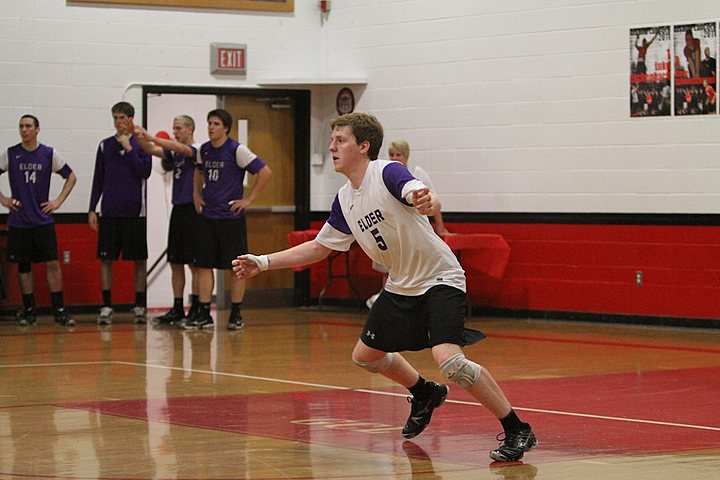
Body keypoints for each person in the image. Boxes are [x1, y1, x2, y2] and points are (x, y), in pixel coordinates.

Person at [232, 112, 537, 462]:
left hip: (439, 278)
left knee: (450, 361)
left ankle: (517, 429)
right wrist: (264, 261)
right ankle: (424, 392)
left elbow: (418, 193)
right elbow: (320, 247)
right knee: (365, 356)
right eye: (331, 141)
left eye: (340, 140)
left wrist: (425, 199)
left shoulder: (386, 172)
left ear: (364, 146)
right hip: (401, 285)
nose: (332, 147)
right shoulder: (345, 198)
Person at [187, 108, 272, 330]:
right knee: (204, 266)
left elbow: (265, 172)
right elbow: (198, 172)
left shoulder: (236, 150)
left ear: (225, 128)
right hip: (207, 216)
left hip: (230, 217)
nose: (211, 127)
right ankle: (205, 313)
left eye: (215, 123)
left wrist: (249, 199)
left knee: (236, 267)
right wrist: (196, 194)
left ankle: (236, 313)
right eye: (209, 123)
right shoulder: (203, 150)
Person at [0, 115, 77, 327]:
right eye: (21, 126)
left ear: (37, 130)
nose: (24, 130)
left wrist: (58, 201)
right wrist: (4, 199)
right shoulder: (11, 154)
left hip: (42, 220)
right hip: (19, 221)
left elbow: (71, 176)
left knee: (52, 263)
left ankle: (59, 310)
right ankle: (29, 310)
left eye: (28, 126)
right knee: (23, 266)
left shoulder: (48, 154)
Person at [88, 102, 152, 325]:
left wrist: (130, 147)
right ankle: (106, 306)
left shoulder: (142, 144)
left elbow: (145, 172)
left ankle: (140, 306)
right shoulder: (105, 146)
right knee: (106, 260)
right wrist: (92, 208)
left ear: (131, 119)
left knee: (138, 261)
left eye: (123, 117)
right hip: (110, 212)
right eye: (115, 117)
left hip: (135, 212)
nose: (119, 122)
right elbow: (98, 179)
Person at [133, 116, 201, 326]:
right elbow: (152, 150)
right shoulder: (174, 153)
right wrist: (138, 136)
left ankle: (197, 307)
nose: (175, 132)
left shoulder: (198, 149)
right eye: (173, 128)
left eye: (179, 128)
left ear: (190, 129)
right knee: (176, 262)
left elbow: (180, 149)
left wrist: (153, 137)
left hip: (193, 211)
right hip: (178, 209)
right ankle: (178, 307)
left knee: (195, 264)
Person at [366, 139, 449, 308]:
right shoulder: (382, 174)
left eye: (399, 154)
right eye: (392, 154)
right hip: (390, 228)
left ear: (407, 156)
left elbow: (433, 200)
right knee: (390, 266)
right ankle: (386, 300)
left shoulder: (417, 173)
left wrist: (440, 227)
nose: (395, 158)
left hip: (413, 227)